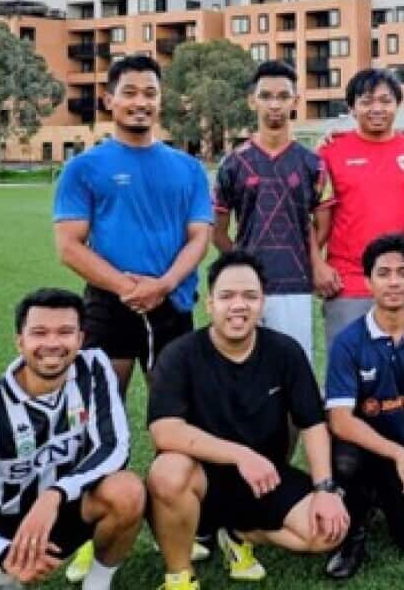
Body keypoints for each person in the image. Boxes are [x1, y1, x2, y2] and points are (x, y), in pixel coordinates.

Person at [145, 251, 349, 590]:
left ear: (262, 302)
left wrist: (325, 489)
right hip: (201, 479)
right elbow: (165, 431)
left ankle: (238, 534)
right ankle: (180, 576)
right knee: (167, 472)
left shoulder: (285, 351)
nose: (239, 305)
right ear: (209, 304)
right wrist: (241, 455)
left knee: (327, 533)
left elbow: (313, 424)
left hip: (263, 479)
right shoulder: (180, 355)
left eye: (250, 296)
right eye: (227, 296)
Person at [0, 289, 144, 590]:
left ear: (81, 339)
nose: (53, 343)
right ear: (20, 342)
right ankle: (4, 577)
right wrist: (3, 551)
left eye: (65, 332)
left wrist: (54, 495)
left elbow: (113, 447)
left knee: (127, 490)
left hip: (61, 510)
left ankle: (97, 583)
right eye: (39, 332)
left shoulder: (93, 369)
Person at [53, 54, 212, 396]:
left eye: (150, 93)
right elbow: (68, 246)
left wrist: (164, 284)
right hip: (109, 304)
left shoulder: (190, 169)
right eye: (129, 92)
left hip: (172, 303)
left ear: (160, 100)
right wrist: (127, 287)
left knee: (177, 412)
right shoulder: (83, 168)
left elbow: (200, 238)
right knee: (101, 412)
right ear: (110, 100)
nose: (140, 102)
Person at [323, 234, 404, 578]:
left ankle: (385, 495)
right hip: (362, 447)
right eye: (383, 273)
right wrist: (397, 456)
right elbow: (339, 420)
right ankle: (353, 531)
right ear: (368, 281)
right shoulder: (348, 341)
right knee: (344, 460)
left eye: (403, 272)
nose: (394, 281)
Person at [317, 68, 404, 347]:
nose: (376, 108)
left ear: (397, 105)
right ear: (352, 108)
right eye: (366, 101)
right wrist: (316, 265)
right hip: (347, 284)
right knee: (347, 377)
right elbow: (311, 218)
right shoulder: (330, 152)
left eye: (385, 101)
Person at [214, 60, 334, 367]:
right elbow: (218, 230)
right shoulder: (233, 163)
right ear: (252, 100)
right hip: (247, 286)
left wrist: (309, 259)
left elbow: (322, 224)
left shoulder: (313, 163)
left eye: (283, 96)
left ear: (296, 101)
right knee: (243, 367)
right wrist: (243, 259)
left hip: (295, 283)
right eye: (266, 96)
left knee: (293, 368)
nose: (275, 104)